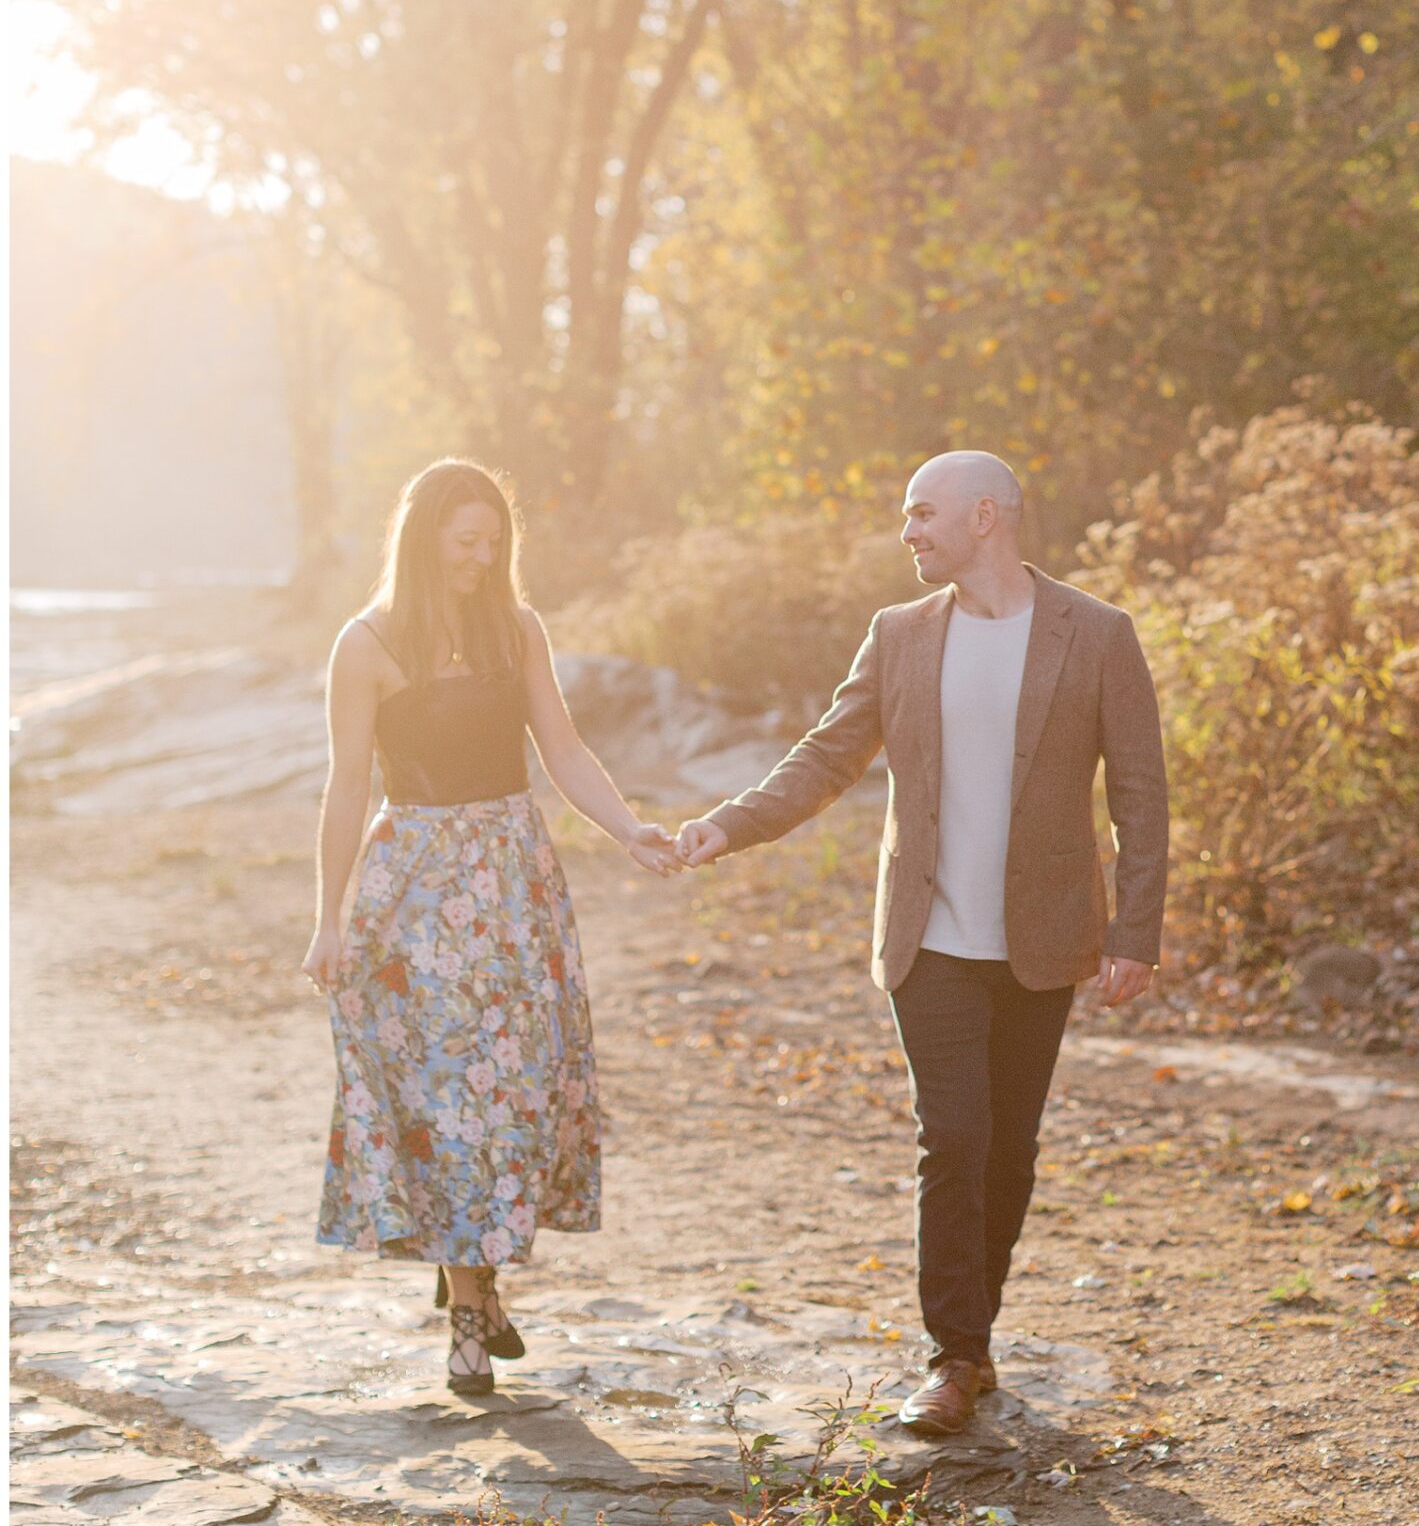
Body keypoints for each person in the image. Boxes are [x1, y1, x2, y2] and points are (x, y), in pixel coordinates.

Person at [676, 450, 1167, 1436]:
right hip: (928, 936)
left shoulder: (1096, 633)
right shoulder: (897, 634)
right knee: (954, 1137)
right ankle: (954, 1355)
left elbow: (1139, 790)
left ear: (985, 516)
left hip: (1041, 939)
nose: (907, 532)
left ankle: (972, 1340)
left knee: (1009, 1151)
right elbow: (827, 756)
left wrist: (1134, 931)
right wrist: (728, 825)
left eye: (922, 514)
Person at [302, 459, 675, 1395]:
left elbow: (564, 750)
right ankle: (469, 1310)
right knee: (444, 1099)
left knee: (511, 1090)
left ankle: (472, 1277)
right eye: (466, 540)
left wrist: (630, 830)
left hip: (514, 887)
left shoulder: (517, 629)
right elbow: (346, 787)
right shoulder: (366, 644)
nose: (481, 556)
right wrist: (327, 920)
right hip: (413, 895)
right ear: (423, 537)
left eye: (494, 541)